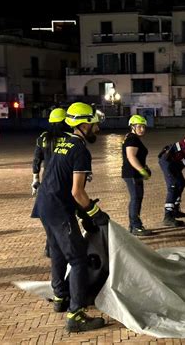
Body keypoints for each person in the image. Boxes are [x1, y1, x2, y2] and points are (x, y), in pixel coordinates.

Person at [31, 102, 107, 332]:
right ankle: (76, 315)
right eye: (94, 124)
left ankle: (61, 298)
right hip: (58, 208)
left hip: (44, 203)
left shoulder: (62, 141)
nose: (97, 129)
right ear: (84, 124)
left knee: (57, 251)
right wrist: (95, 213)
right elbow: (77, 192)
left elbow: (60, 181)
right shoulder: (80, 150)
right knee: (78, 259)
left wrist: (83, 212)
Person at [31, 108, 71, 257]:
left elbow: (36, 160)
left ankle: (50, 246)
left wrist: (35, 179)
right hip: (63, 181)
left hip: (47, 182)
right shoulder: (69, 138)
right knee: (64, 215)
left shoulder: (42, 138)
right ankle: (60, 248)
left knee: (49, 217)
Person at [121, 115, 153, 236]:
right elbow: (131, 157)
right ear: (132, 127)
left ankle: (133, 225)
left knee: (136, 198)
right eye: (139, 126)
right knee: (136, 198)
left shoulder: (133, 138)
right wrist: (142, 170)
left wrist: (145, 168)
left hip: (133, 173)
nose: (142, 129)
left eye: (144, 126)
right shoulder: (132, 139)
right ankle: (136, 226)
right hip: (132, 174)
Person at [158, 138, 185, 227]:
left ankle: (175, 210)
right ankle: (167, 216)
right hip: (168, 161)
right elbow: (174, 148)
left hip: (175, 163)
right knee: (173, 186)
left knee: (181, 183)